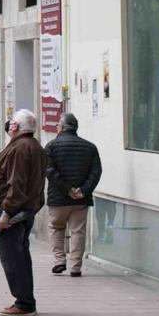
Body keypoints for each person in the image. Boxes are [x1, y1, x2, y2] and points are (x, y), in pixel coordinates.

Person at [0, 109, 47, 316]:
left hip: (15, 210)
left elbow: (17, 184)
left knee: (13, 257)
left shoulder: (21, 148)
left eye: (11, 123)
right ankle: (24, 299)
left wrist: (6, 214)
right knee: (20, 255)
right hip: (24, 208)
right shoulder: (33, 146)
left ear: (16, 126)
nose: (8, 126)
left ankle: (24, 302)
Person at [45, 112, 102, 276]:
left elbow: (49, 171)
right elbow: (96, 172)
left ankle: (59, 260)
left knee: (56, 228)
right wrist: (83, 190)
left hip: (58, 199)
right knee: (78, 230)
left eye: (57, 125)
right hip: (81, 200)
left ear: (62, 127)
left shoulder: (51, 146)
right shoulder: (90, 147)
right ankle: (76, 266)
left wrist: (67, 189)